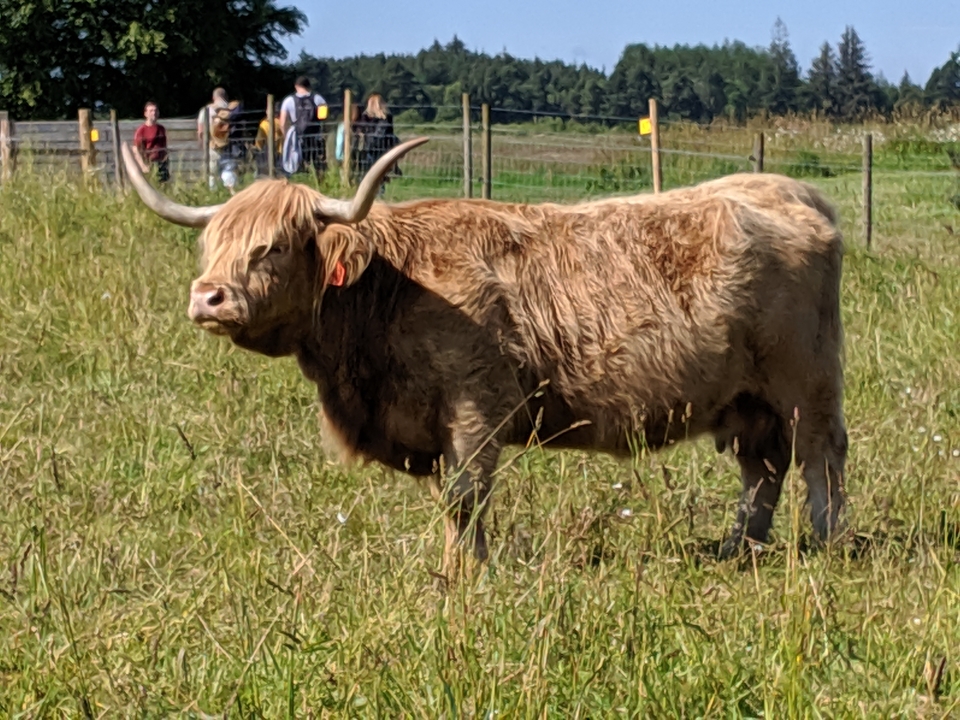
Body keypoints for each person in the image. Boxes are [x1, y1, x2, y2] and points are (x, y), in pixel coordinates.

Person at [279, 76, 328, 178]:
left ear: (296, 86)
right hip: (315, 137)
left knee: (296, 163)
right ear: (308, 86)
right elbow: (324, 118)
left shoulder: (288, 100)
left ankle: (298, 179)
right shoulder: (319, 99)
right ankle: (316, 180)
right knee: (315, 164)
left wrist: (286, 136)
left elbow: (282, 122)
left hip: (297, 136)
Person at [196, 87, 241, 194]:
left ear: (213, 97)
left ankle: (213, 196)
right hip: (230, 146)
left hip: (212, 146)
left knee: (212, 174)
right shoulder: (231, 109)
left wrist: (203, 146)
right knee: (229, 171)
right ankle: (231, 195)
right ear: (226, 97)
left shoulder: (206, 110)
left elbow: (201, 131)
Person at [354, 93, 400, 193]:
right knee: (377, 176)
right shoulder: (383, 119)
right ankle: (375, 197)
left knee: (371, 175)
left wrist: (364, 136)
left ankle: (370, 197)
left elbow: (375, 135)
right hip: (380, 150)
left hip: (371, 150)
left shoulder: (370, 119)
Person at [133, 101, 169, 183]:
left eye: (155, 110)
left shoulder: (161, 129)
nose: (154, 113)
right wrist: (143, 166)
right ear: (145, 114)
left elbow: (164, 146)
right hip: (149, 163)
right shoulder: (141, 130)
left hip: (162, 163)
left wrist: (166, 159)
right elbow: (136, 150)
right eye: (151, 111)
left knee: (164, 186)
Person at [252, 110, 284, 177]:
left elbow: (259, 141)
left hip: (267, 152)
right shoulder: (280, 122)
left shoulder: (264, 124)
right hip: (281, 151)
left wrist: (258, 149)